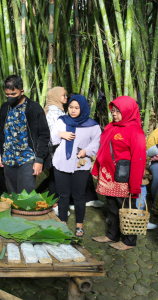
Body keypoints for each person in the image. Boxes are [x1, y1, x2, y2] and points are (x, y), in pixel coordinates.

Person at [91, 96, 146, 250]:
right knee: (112, 208)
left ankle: (129, 241)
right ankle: (112, 235)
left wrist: (135, 186)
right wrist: (96, 169)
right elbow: (102, 150)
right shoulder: (112, 126)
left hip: (124, 179)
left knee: (127, 209)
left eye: (118, 111)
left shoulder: (136, 132)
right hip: (109, 176)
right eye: (113, 111)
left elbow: (139, 160)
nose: (114, 114)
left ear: (128, 111)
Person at [50, 95, 101, 237]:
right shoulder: (62, 121)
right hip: (61, 163)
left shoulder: (92, 125)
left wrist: (87, 151)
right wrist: (61, 133)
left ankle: (79, 225)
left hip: (81, 165)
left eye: (76, 108)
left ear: (83, 108)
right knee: (63, 195)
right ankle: (62, 222)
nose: (72, 110)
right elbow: (53, 139)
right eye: (71, 107)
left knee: (79, 196)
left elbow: (96, 142)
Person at [0, 75, 50, 194]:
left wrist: (39, 159)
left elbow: (44, 135)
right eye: (7, 94)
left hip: (27, 158)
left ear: (22, 91)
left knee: (26, 196)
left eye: (13, 94)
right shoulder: (5, 107)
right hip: (8, 158)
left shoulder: (34, 108)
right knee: (13, 196)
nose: (10, 97)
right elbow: (1, 131)